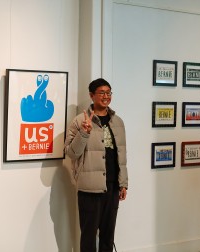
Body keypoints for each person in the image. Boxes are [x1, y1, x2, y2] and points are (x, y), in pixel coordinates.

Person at [64, 78, 128, 252]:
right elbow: (71, 153)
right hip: (89, 187)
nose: (106, 96)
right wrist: (84, 133)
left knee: (108, 235)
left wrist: (123, 183)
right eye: (102, 93)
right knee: (89, 236)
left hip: (113, 186)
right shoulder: (80, 121)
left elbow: (121, 155)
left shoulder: (118, 122)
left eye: (109, 93)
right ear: (92, 95)